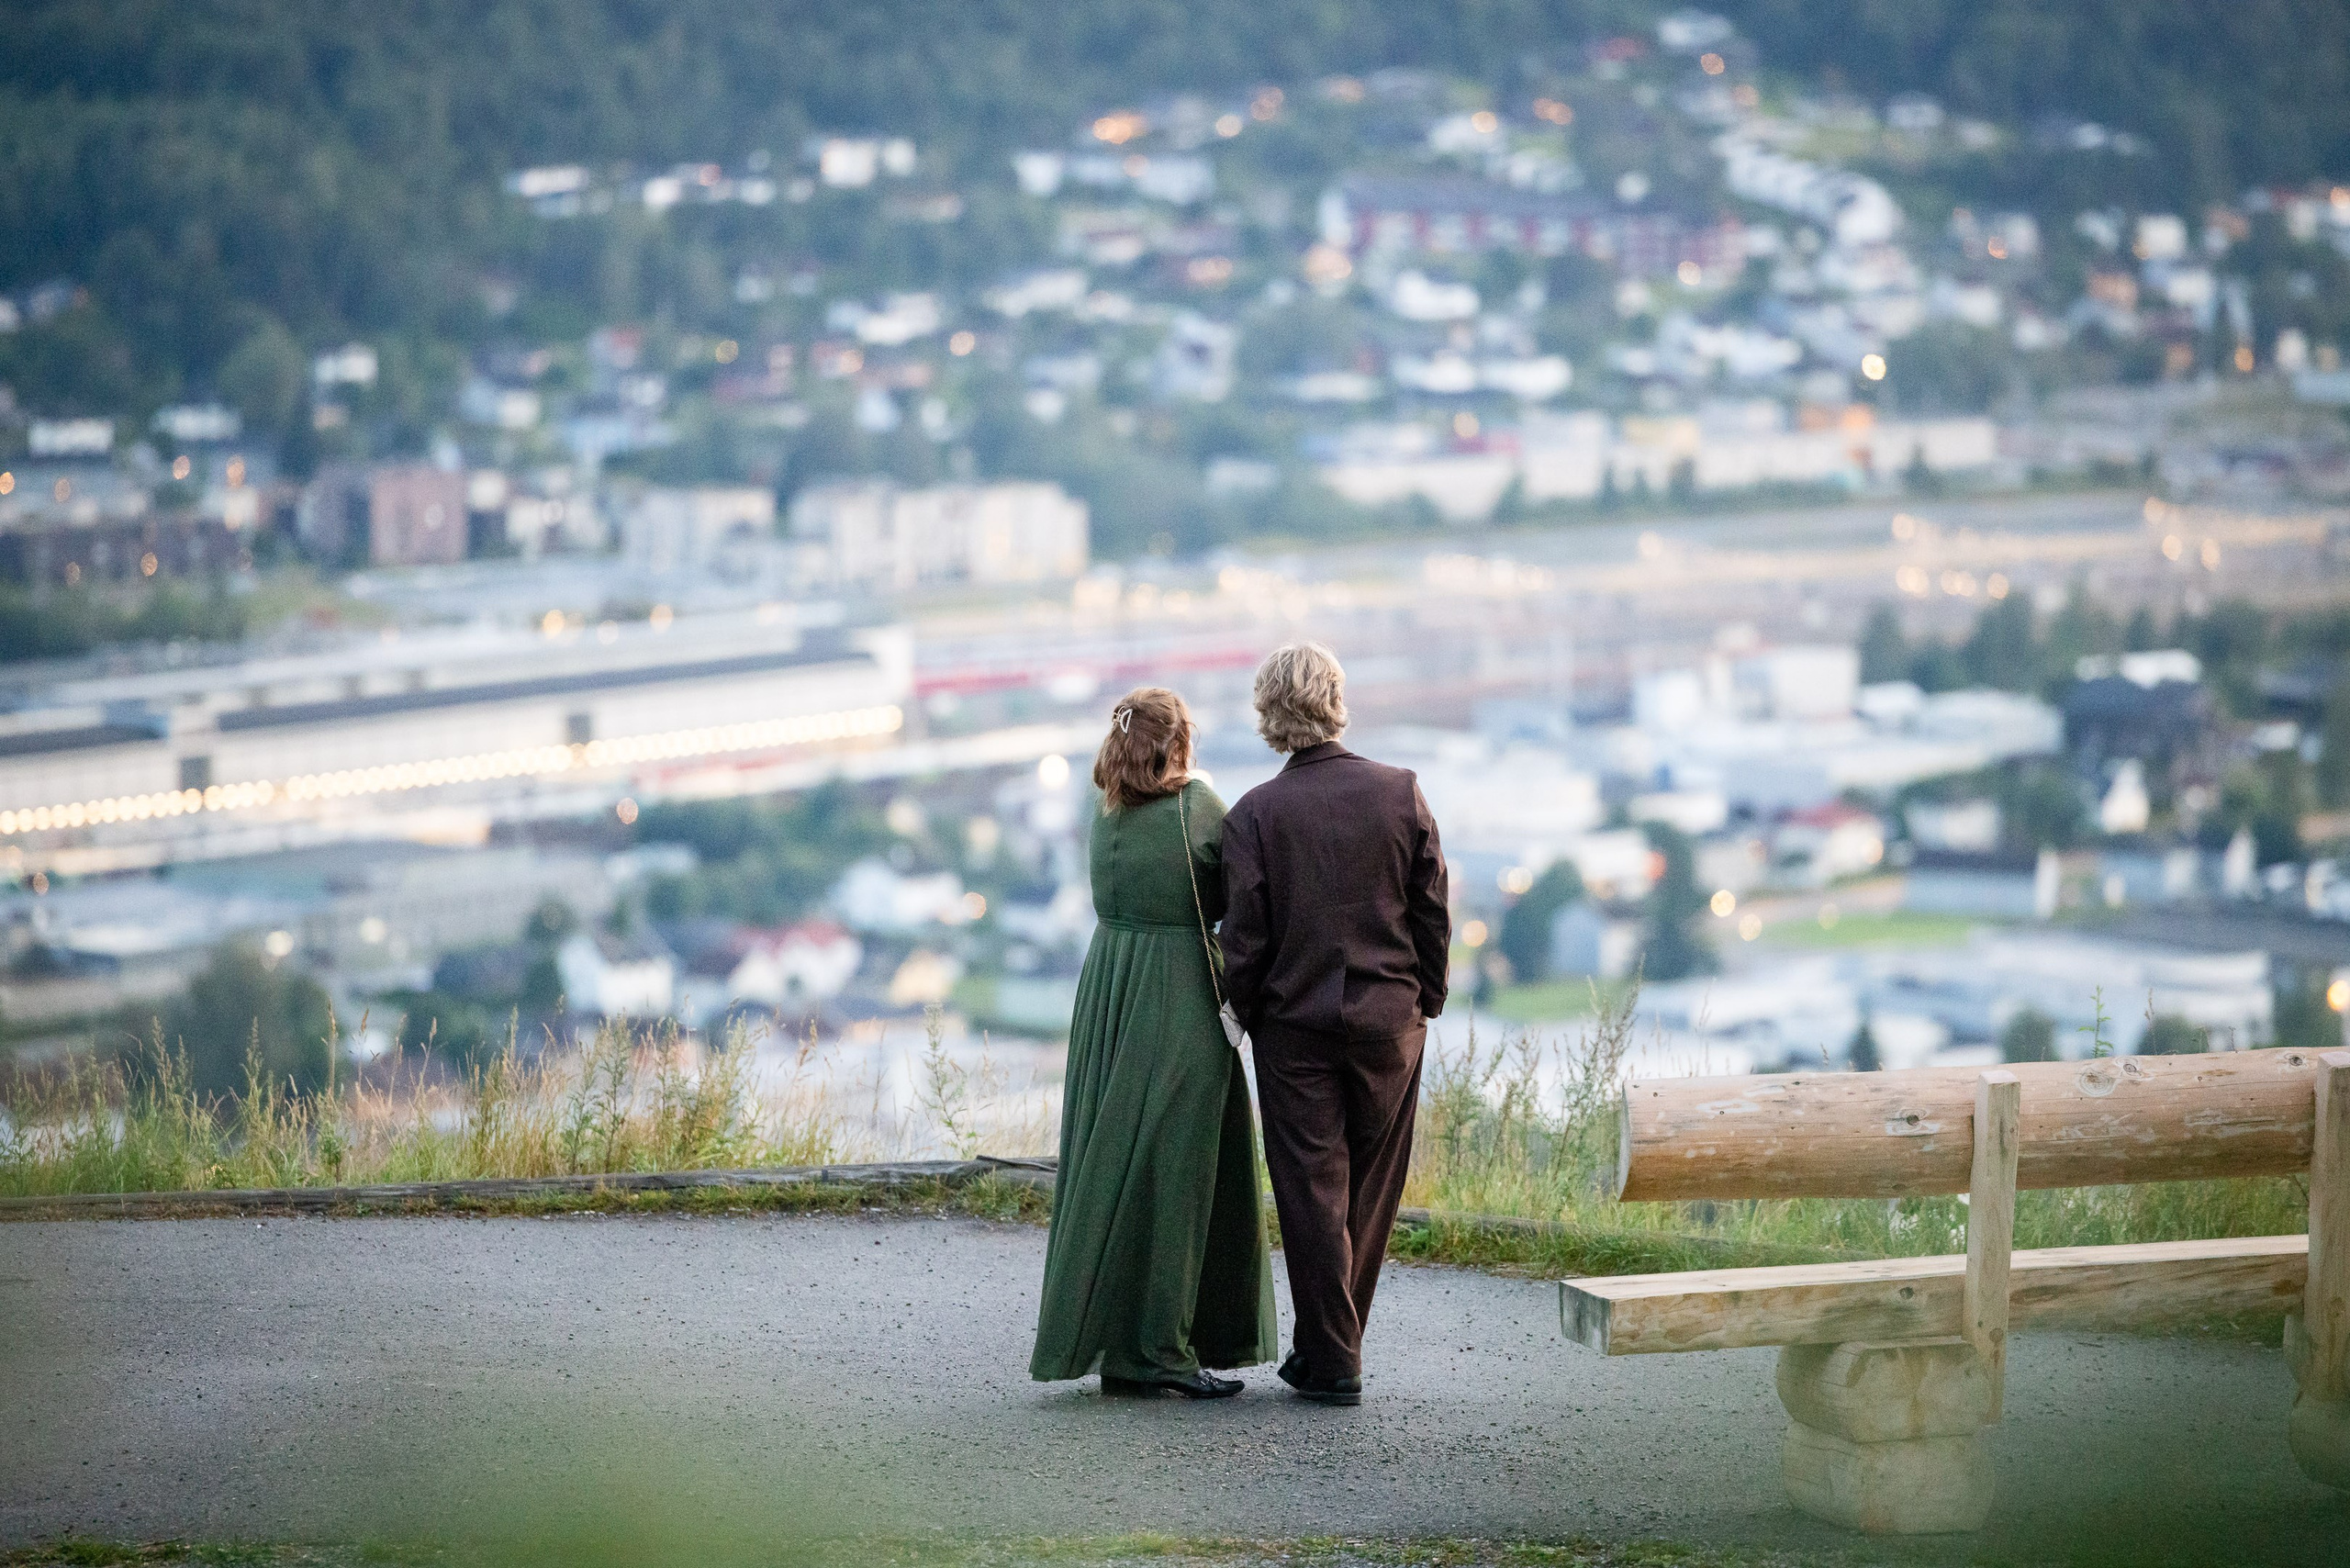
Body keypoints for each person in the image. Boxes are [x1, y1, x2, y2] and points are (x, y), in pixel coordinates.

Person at [1029, 688, 1279, 1398]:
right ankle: (1163, 1349)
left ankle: (1118, 1341)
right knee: (1180, 1171)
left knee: (1114, 1164)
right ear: (1181, 740)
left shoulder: (1104, 810)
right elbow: (1241, 891)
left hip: (1110, 983)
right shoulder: (1193, 808)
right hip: (1177, 992)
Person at [1218, 643, 1449, 1406]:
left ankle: (1334, 1360)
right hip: (1391, 1021)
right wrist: (1429, 998)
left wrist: (1238, 1012)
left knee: (1312, 1192)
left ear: (1269, 714)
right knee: (1371, 1191)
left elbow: (1245, 937)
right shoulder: (1400, 791)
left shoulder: (1255, 814)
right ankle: (1328, 1352)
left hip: (1295, 1027)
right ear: (1335, 699)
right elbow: (1431, 912)